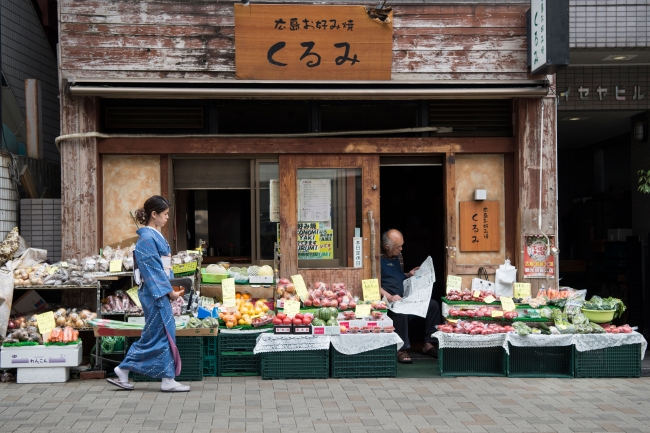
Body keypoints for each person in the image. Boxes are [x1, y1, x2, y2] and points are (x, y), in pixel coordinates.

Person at [106, 195, 189, 392]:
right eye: (165, 214)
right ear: (154, 214)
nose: (167, 217)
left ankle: (161, 377)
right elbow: (154, 271)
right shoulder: (147, 240)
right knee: (156, 335)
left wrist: (173, 288)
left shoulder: (152, 237)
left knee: (160, 334)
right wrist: (170, 292)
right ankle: (126, 368)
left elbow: (161, 269)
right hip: (155, 293)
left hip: (158, 291)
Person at [380, 229, 441, 364]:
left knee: (433, 305)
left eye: (402, 245)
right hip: (389, 301)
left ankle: (428, 343)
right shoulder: (376, 258)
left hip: (404, 297)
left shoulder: (398, 257)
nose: (401, 249)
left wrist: (409, 274)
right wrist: (389, 296)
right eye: (398, 247)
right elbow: (374, 284)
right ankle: (401, 349)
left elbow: (398, 276)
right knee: (400, 311)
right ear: (386, 247)